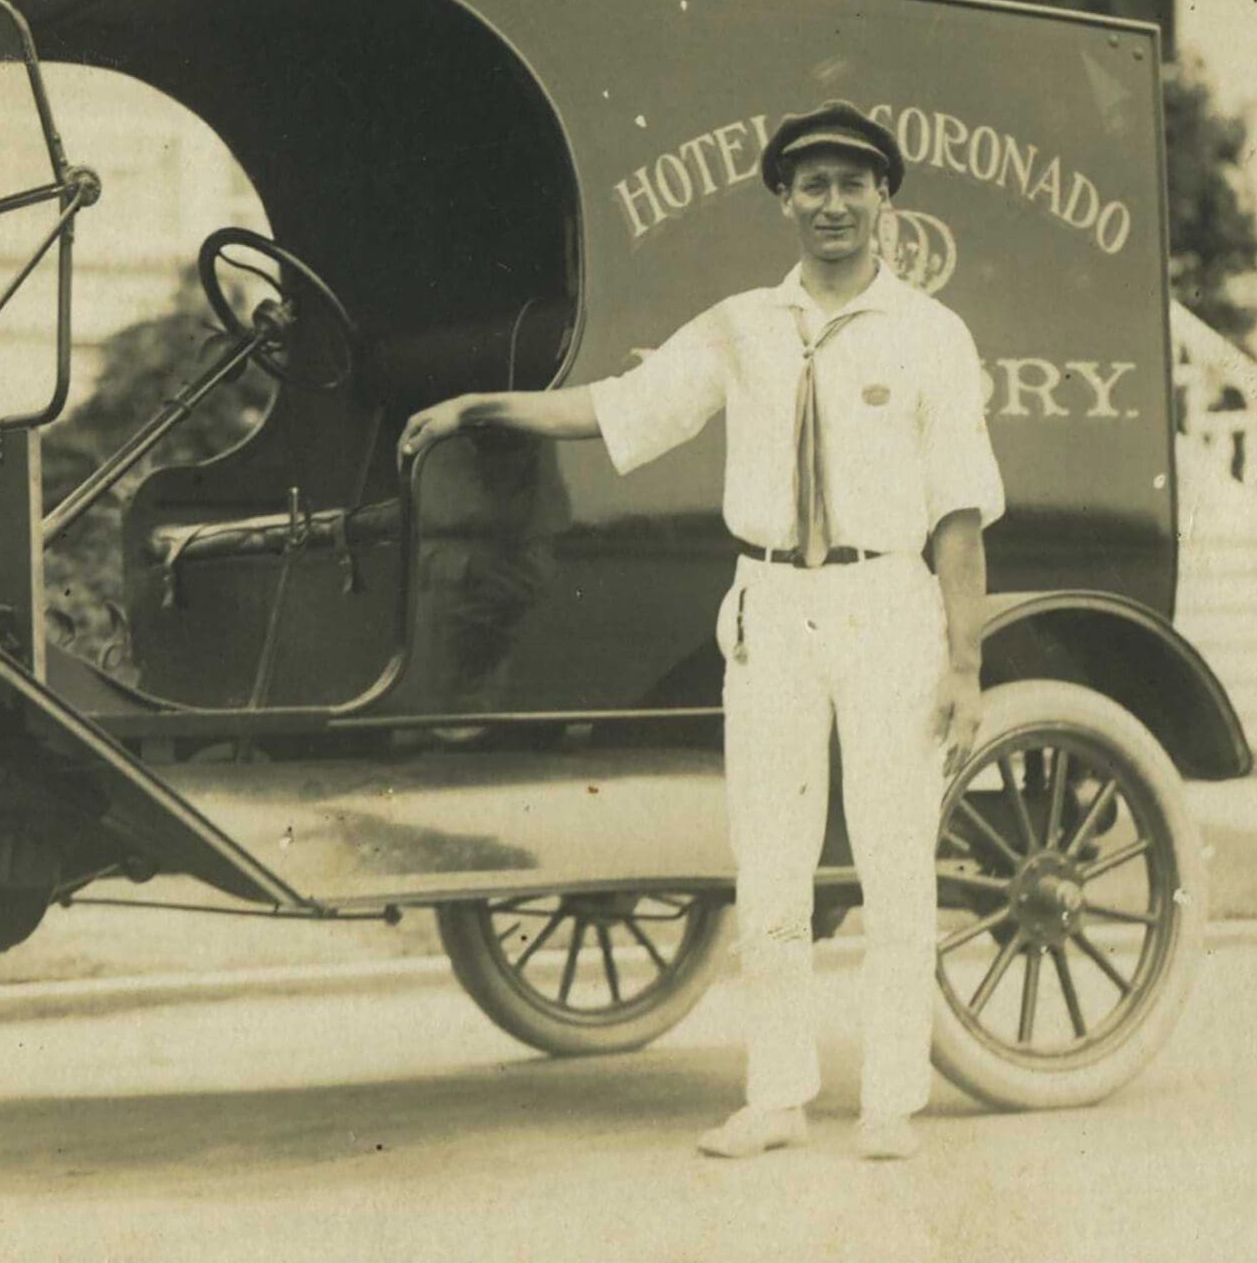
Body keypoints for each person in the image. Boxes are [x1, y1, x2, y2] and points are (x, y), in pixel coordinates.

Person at [396, 99, 1004, 1162]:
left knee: (895, 857)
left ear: (883, 198)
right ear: (783, 200)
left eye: (851, 183)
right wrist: (474, 408)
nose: (831, 204)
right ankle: (774, 1097)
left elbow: (958, 511)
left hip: (886, 605)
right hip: (768, 605)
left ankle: (889, 1103)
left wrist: (964, 660)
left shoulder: (931, 335)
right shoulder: (739, 326)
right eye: (810, 184)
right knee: (767, 862)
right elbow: (620, 405)